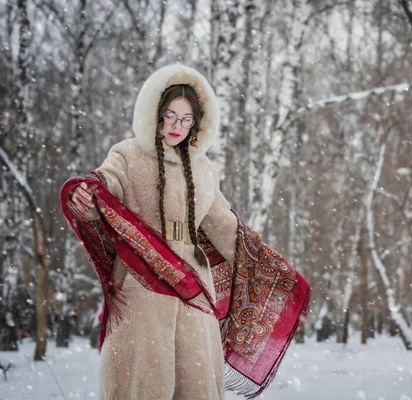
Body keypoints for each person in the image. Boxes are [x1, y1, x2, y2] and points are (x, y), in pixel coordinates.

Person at [61, 63, 310, 400]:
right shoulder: (128, 154)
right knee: (142, 385)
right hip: (141, 287)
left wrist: (278, 279)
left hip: (196, 295)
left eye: (186, 118)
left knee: (197, 387)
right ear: (156, 113)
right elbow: (104, 189)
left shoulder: (203, 167)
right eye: (170, 116)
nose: (177, 125)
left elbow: (227, 229)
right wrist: (86, 197)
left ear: (196, 122)